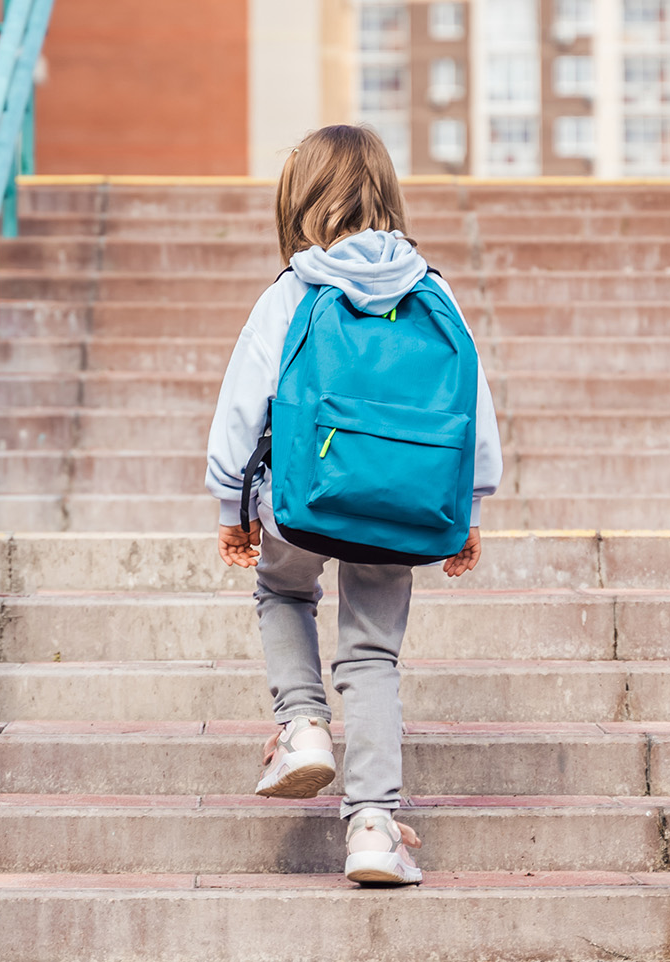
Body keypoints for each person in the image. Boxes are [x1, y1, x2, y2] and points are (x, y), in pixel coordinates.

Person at [203, 125, 502, 886]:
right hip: (401, 507)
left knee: (282, 587)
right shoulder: (432, 289)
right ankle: (372, 824)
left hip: (300, 497)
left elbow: (245, 405)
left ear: (297, 201)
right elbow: (475, 404)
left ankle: (302, 726)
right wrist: (467, 504)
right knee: (371, 653)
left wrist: (228, 501)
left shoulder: (294, 290)